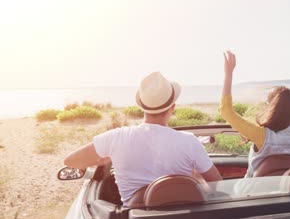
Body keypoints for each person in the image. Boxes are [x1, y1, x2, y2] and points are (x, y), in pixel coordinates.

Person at [64, 72, 222, 206]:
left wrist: (101, 161)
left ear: (141, 106)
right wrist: (197, 179)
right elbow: (217, 186)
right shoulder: (190, 142)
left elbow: (71, 161)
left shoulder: (115, 138)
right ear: (173, 107)